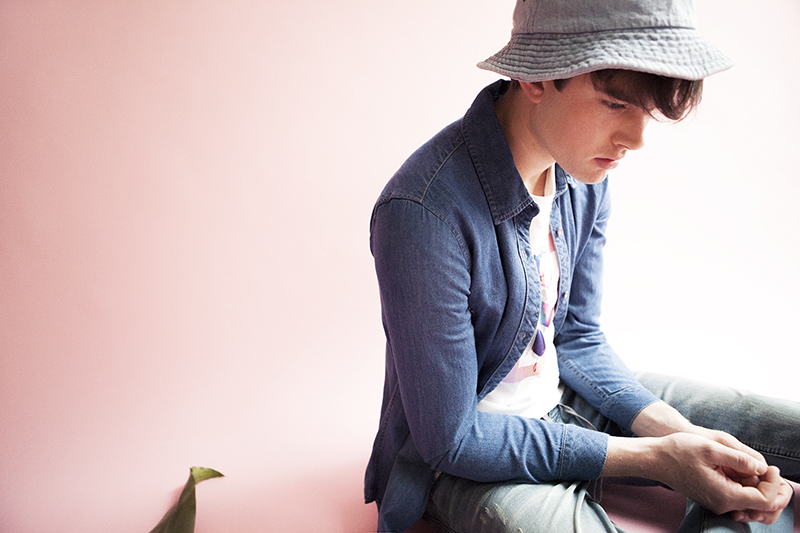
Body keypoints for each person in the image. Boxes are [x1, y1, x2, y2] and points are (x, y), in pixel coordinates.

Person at [363, 0, 800, 531]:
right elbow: (452, 438)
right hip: (472, 455)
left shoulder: (580, 172)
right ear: (538, 77)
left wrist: (677, 433)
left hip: (569, 396)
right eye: (616, 103)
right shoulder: (421, 213)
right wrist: (656, 459)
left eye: (648, 112)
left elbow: (578, 338)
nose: (635, 140)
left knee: (776, 434)